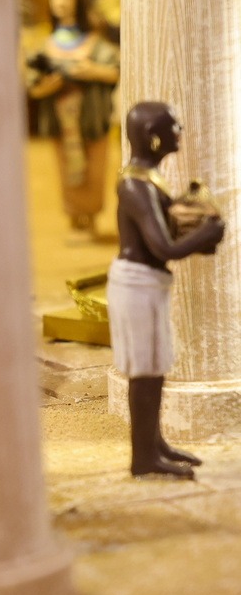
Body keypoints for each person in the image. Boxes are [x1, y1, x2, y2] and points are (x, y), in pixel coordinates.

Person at [112, 101, 224, 479]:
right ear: (152, 136)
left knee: (156, 367)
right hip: (137, 283)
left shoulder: (148, 178)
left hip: (149, 283)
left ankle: (154, 443)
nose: (179, 132)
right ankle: (143, 457)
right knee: (144, 371)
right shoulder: (134, 185)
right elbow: (163, 248)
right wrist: (207, 233)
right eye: (172, 126)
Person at [27, 0, 120, 235]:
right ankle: (73, 216)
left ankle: (90, 216)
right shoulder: (46, 45)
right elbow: (34, 86)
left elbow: (115, 71)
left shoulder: (95, 43)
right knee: (65, 167)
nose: (61, 3)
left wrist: (93, 72)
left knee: (95, 166)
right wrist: (48, 86)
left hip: (91, 118)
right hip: (61, 120)